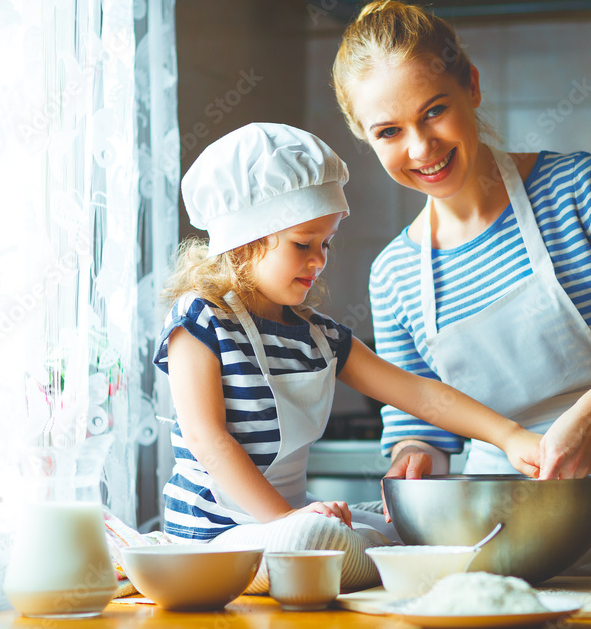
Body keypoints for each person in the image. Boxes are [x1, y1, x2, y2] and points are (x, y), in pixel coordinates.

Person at [332, 0, 591, 578]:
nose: (421, 147)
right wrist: (414, 461)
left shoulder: (574, 191)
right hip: (499, 541)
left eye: (435, 111)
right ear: (365, 138)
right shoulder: (395, 272)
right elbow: (419, 429)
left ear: (471, 86)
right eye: (390, 131)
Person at [153, 123, 541, 591]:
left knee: (402, 523)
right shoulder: (201, 319)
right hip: (215, 538)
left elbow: (418, 393)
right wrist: (287, 521)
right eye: (303, 243)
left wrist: (511, 436)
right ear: (246, 238)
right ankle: (340, 557)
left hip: (293, 524)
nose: (319, 260)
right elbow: (208, 440)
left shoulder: (317, 336)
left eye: (326, 243)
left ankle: (344, 553)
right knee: (318, 536)